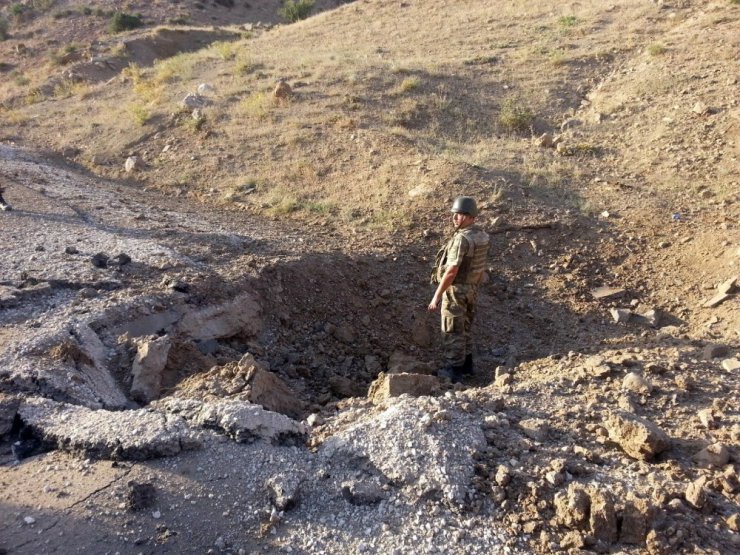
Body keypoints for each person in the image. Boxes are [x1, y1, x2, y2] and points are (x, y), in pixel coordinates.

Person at [428, 196, 490, 382]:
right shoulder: (481, 235)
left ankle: (454, 372)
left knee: (452, 329)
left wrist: (437, 295)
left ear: (471, 217)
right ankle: (467, 366)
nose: (456, 218)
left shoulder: (461, 239)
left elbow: (452, 270)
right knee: (465, 327)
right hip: (471, 289)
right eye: (455, 214)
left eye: (461, 215)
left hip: (456, 290)